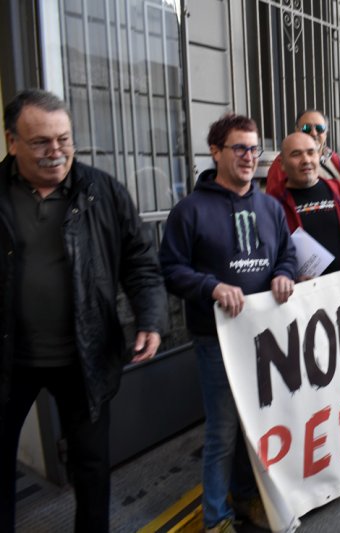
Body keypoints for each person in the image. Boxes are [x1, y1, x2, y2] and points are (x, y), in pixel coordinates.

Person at [0, 89, 167, 532]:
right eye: (41, 142)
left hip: (84, 355)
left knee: (91, 467)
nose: (56, 151)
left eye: (64, 139)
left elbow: (140, 261)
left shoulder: (102, 191)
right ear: (12, 141)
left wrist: (151, 318)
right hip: (9, 360)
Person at [159, 113, 297, 533]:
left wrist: (283, 274)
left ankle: (247, 498)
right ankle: (216, 518)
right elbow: (171, 270)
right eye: (239, 148)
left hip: (265, 335)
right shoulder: (189, 211)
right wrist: (211, 287)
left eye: (254, 149)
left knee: (256, 425)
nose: (249, 157)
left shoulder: (270, 207)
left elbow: (287, 254)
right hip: (215, 340)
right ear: (215, 151)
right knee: (222, 431)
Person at [269, 132, 340, 276]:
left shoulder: (339, 190)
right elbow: (268, 255)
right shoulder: (273, 203)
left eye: (311, 153)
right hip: (304, 289)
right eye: (296, 154)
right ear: (282, 164)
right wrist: (290, 276)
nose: (306, 160)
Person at [266, 109, 340, 193]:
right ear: (297, 131)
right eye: (306, 128)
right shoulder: (284, 163)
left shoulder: (334, 159)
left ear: (326, 133)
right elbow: (273, 198)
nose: (314, 133)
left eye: (319, 128)